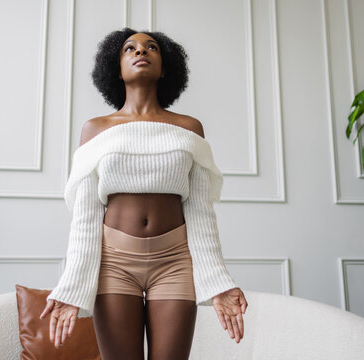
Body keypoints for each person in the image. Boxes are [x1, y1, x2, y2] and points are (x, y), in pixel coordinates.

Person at [40, 27, 248, 359]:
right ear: (116, 67)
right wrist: (72, 284)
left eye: (151, 47)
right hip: (113, 263)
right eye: (130, 49)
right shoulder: (95, 129)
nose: (141, 52)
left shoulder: (188, 128)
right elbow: (86, 215)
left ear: (165, 68)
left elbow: (200, 211)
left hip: (175, 262)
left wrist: (219, 281)